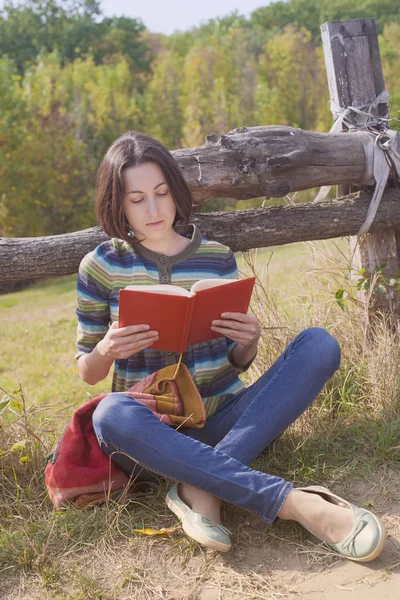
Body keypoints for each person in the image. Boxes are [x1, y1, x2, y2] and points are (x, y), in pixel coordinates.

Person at [75, 130, 386, 562]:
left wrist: (248, 342)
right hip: (150, 436)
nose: (153, 209)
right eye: (137, 198)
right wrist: (106, 349)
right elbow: (87, 371)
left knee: (319, 345)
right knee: (110, 413)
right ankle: (295, 504)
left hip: (221, 419)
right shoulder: (101, 266)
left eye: (162, 193)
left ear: (176, 192)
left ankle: (196, 485)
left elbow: (235, 364)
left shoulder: (217, 257)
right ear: (118, 203)